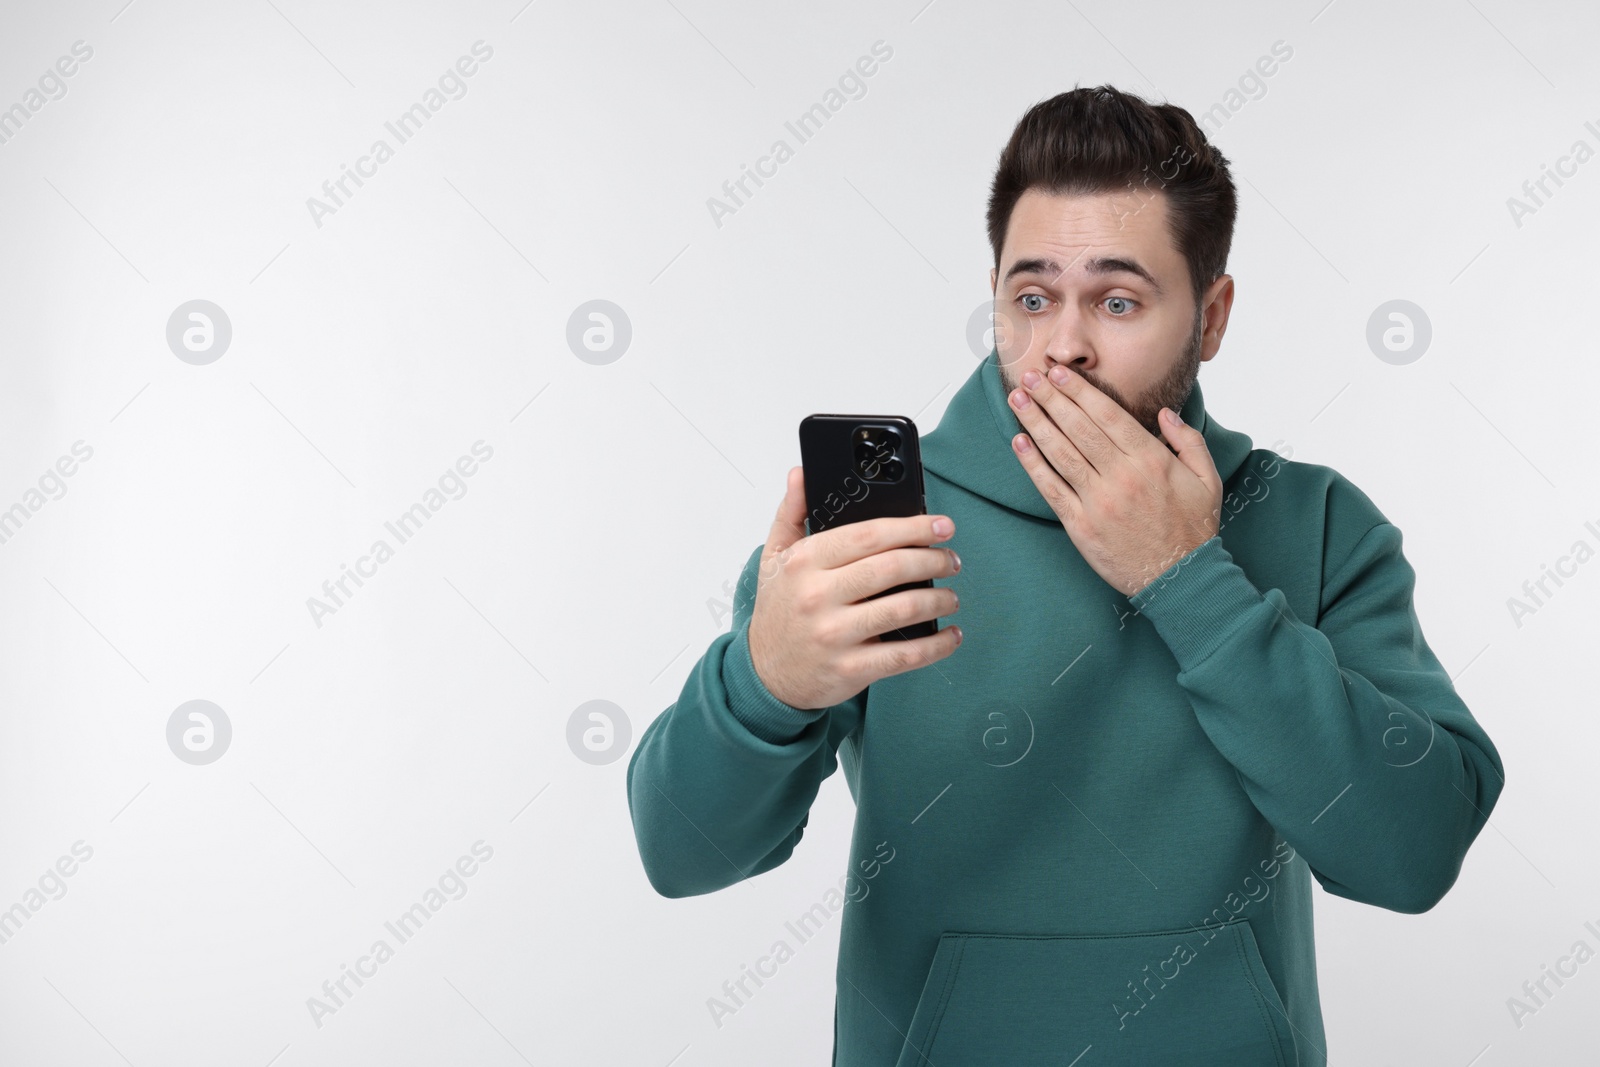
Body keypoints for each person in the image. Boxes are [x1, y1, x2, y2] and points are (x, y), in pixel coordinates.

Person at [625, 84, 1504, 1067]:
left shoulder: (1314, 523)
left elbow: (1412, 853)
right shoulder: (880, 524)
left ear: (1209, 317)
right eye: (1030, 295)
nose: (1063, 343)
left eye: (1118, 299)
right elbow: (681, 855)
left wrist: (1187, 578)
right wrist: (762, 680)